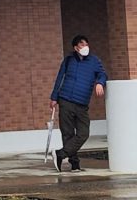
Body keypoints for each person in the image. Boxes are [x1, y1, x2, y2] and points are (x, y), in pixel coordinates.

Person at [49, 34, 107, 173]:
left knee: (83, 133)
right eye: (82, 45)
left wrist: (100, 83)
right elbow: (60, 78)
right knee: (67, 133)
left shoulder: (94, 61)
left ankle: (60, 154)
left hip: (82, 103)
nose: (85, 47)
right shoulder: (68, 60)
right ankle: (74, 164)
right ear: (76, 48)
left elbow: (103, 74)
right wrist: (54, 97)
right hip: (66, 100)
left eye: (86, 44)